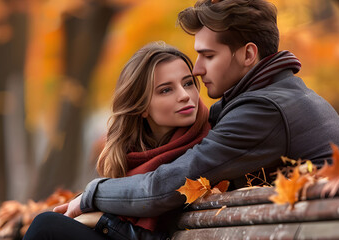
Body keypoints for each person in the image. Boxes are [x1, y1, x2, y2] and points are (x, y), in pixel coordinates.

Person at [56, 0, 339, 232]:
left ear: (248, 55)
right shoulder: (268, 97)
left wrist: (91, 193)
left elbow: (163, 189)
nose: (197, 69)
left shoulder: (263, 111)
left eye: (208, 56)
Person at [24, 42, 210, 240]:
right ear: (142, 107)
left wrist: (101, 220)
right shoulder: (130, 157)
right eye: (166, 90)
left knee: (47, 226)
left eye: (188, 83)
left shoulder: (206, 147)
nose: (184, 96)